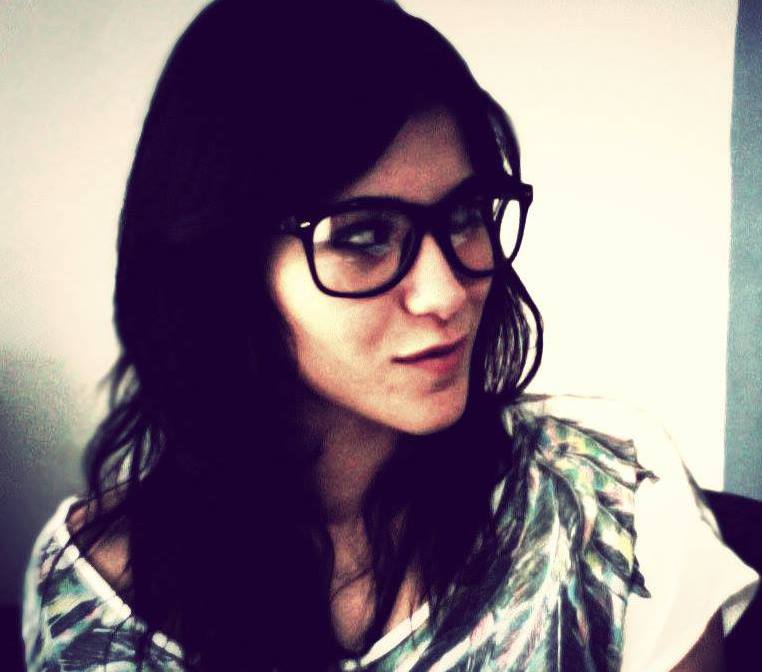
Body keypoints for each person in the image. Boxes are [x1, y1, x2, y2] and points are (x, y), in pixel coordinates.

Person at [21, 1, 759, 671]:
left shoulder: (610, 501)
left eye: (465, 214)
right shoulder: (91, 597)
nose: (448, 293)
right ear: (225, 268)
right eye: (364, 235)